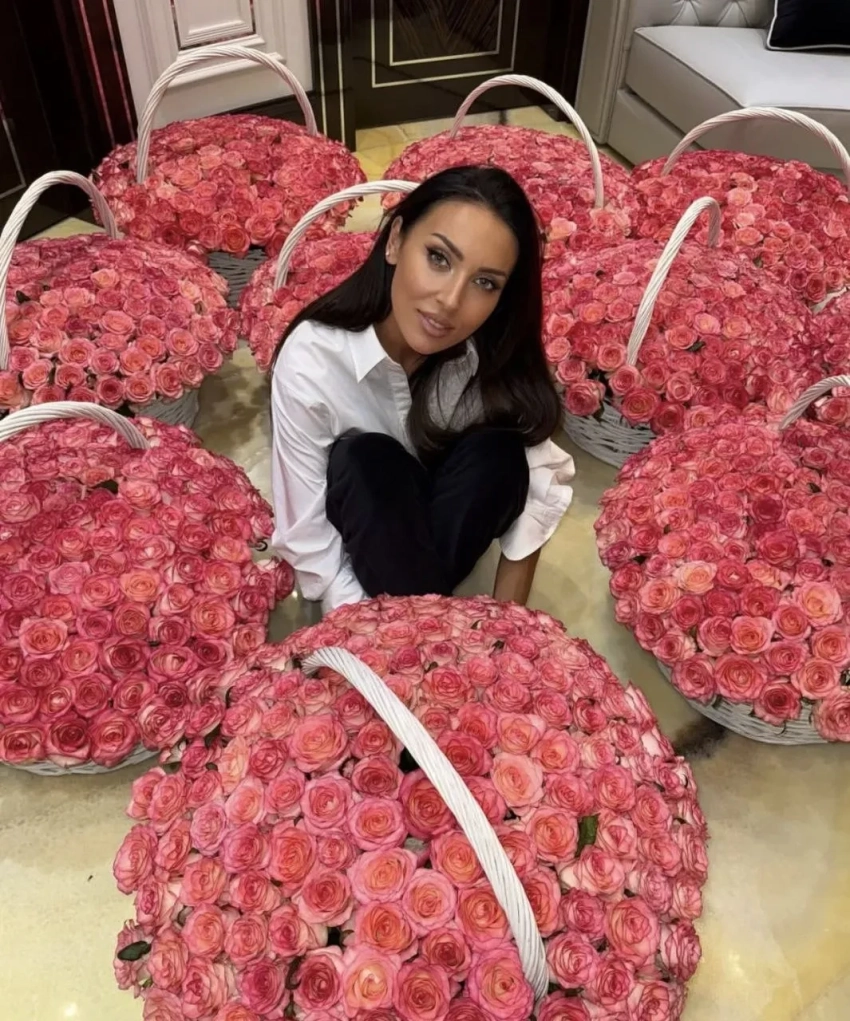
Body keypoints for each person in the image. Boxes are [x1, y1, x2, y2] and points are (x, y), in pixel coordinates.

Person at [270, 165, 575, 616]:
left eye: (485, 283)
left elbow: (542, 472)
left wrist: (509, 625)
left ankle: (427, 614)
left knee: (500, 453)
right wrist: (388, 633)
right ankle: (427, 620)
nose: (450, 301)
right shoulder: (313, 362)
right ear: (395, 241)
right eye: (438, 258)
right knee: (365, 459)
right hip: (362, 559)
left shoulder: (481, 351)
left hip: (430, 531)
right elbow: (312, 546)